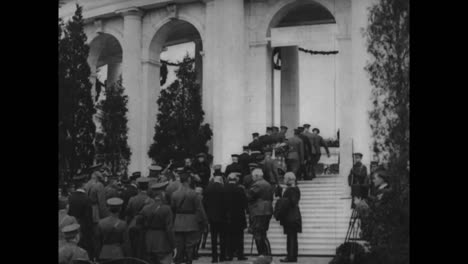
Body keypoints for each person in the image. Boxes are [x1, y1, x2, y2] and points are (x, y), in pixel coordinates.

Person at [171, 172, 208, 264]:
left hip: (178, 222)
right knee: (190, 245)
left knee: (179, 245)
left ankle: (178, 261)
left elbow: (173, 209)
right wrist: (204, 222)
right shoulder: (193, 194)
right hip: (191, 221)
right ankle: (188, 261)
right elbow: (199, 209)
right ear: (189, 180)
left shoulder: (174, 194)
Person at [138, 181, 175, 264]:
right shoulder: (167, 209)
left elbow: (139, 223)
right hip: (162, 242)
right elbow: (169, 229)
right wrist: (173, 245)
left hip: (148, 241)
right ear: (162, 193)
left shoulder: (145, 208)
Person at [247, 168, 274, 256]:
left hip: (259, 211)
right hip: (267, 210)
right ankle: (267, 254)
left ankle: (262, 255)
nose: (252, 178)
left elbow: (249, 197)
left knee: (258, 234)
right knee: (263, 234)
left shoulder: (257, 185)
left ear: (257, 176)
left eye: (253, 176)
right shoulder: (268, 184)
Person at [68, 174, 95, 259]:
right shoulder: (87, 199)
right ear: (83, 184)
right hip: (84, 231)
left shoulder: (70, 197)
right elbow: (89, 219)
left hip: (71, 229)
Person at [224, 173, 248, 261]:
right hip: (239, 216)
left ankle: (229, 255)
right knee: (239, 237)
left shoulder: (224, 189)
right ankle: (240, 254)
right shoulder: (240, 190)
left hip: (228, 216)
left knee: (229, 236)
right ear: (236, 180)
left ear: (228, 179)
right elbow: (245, 203)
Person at [278, 172, 302, 263]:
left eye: (284, 178)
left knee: (291, 237)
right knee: (293, 237)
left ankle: (290, 256)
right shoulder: (295, 189)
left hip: (290, 216)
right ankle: (292, 256)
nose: (283, 180)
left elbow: (290, 202)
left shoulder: (291, 190)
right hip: (294, 215)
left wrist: (282, 197)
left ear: (288, 179)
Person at [203, 175, 227, 263]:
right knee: (223, 237)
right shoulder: (224, 189)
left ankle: (214, 257)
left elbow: (204, 203)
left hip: (212, 217)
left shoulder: (208, 189)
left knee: (213, 238)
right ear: (221, 181)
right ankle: (222, 256)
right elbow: (226, 203)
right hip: (222, 216)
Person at [126, 177, 151, 259]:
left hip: (134, 226)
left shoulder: (132, 199)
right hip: (146, 227)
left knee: (134, 247)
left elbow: (128, 213)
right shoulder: (151, 200)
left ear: (138, 187)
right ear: (147, 187)